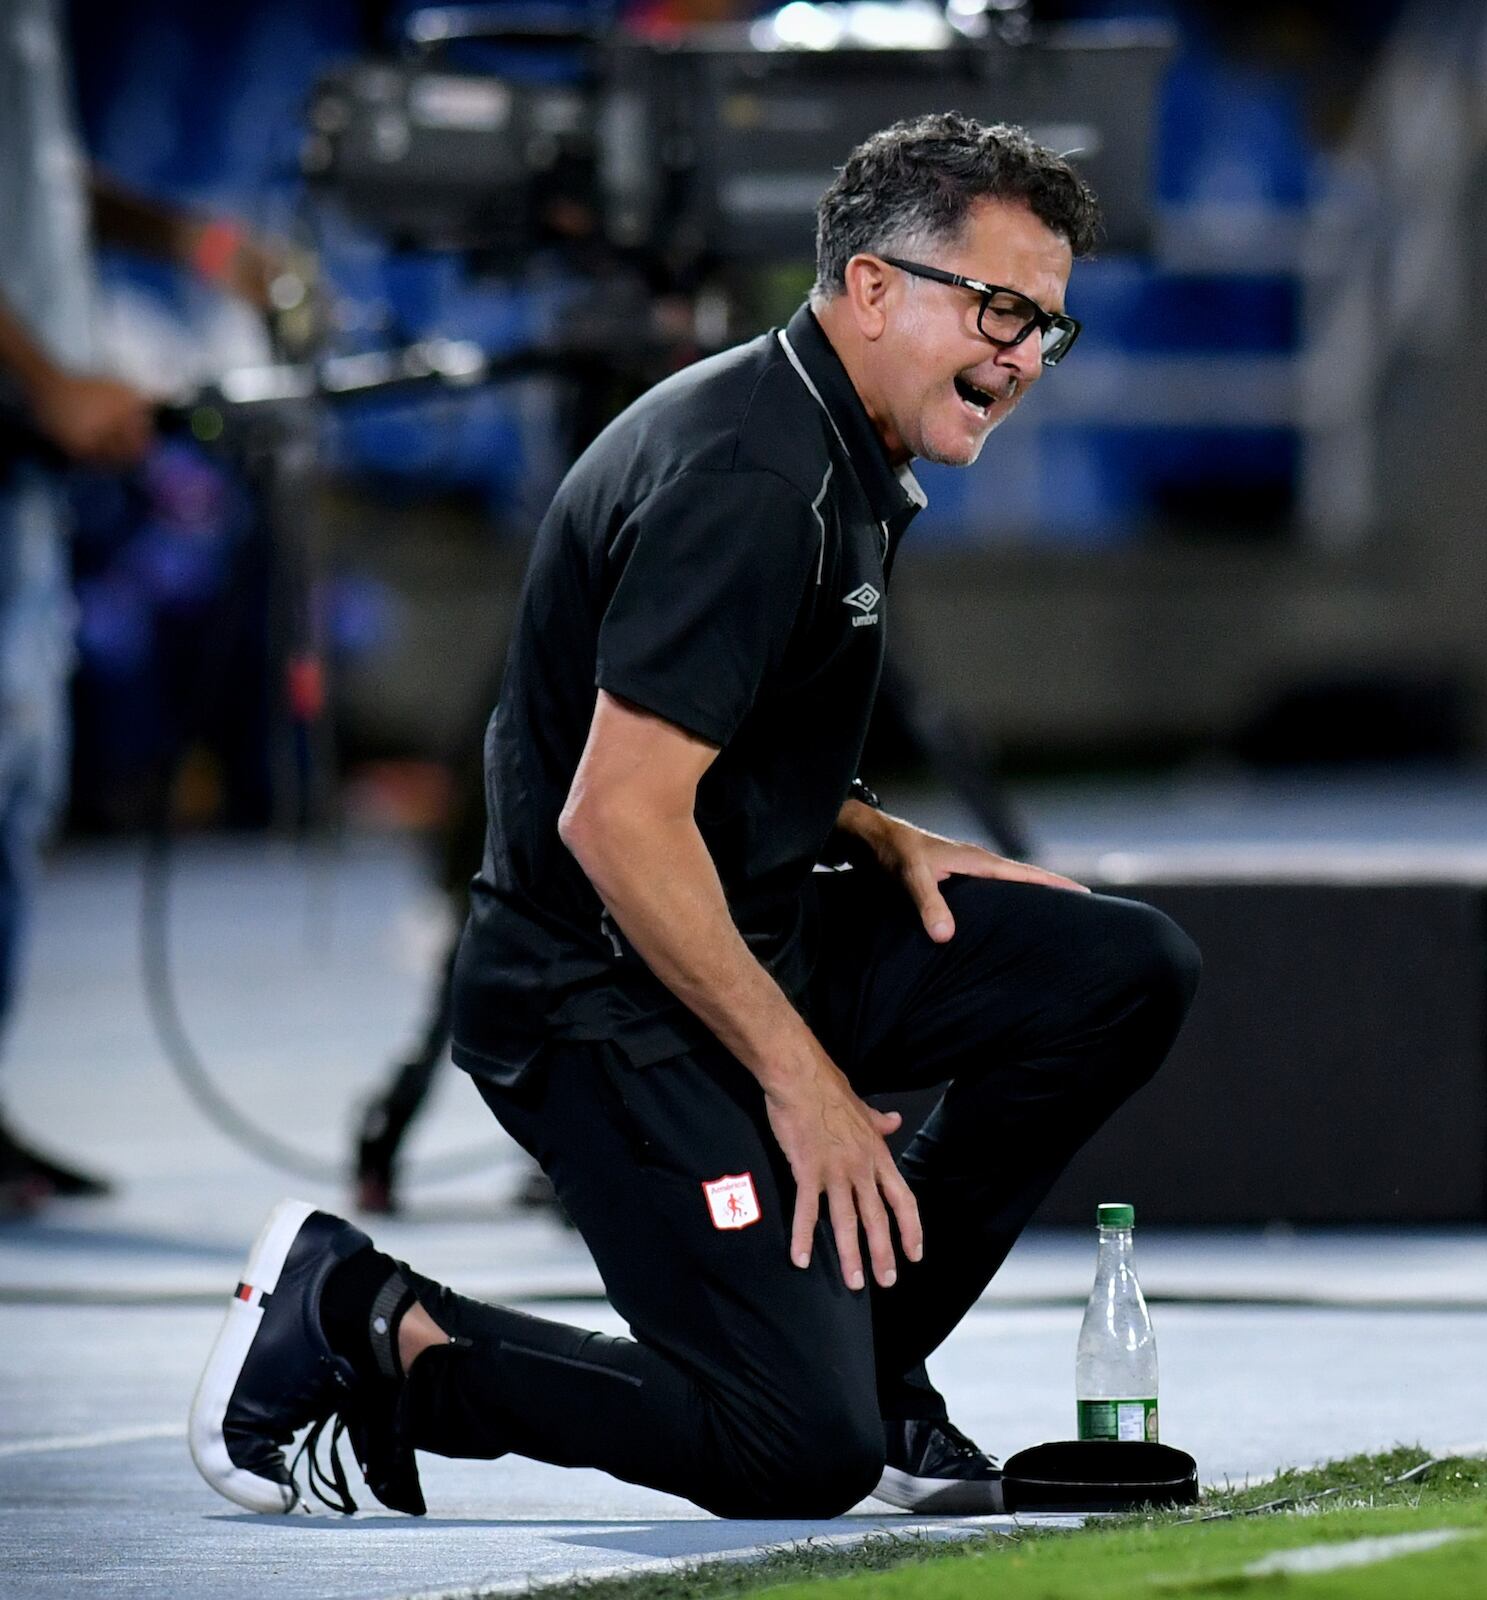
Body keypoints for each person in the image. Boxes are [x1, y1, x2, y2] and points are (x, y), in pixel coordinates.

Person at [189, 113, 1200, 1521]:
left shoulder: (829, 436)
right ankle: (374, 1320)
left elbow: (706, 732)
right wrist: (808, 1088)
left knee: (1119, 968)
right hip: (594, 1001)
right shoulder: (751, 480)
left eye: (1050, 327)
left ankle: (869, 1354)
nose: (1028, 354)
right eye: (1004, 308)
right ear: (872, 288)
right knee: (797, 1452)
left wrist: (865, 822)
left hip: (730, 928)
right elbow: (616, 818)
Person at [0, 0, 287, 1213]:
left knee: (21, 770)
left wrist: (189, 241)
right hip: (24, 408)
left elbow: (39, 175)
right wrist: (51, 377)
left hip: (21, 458)